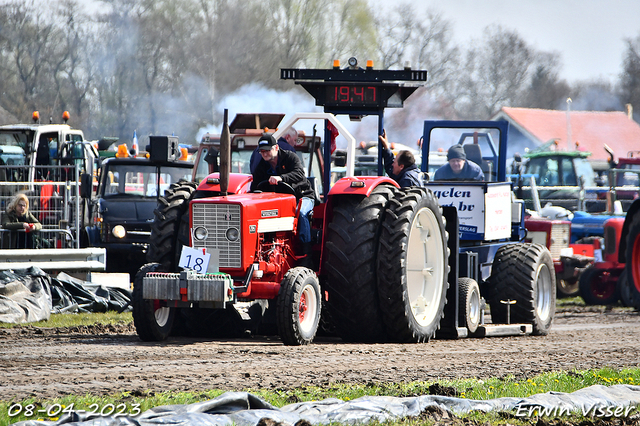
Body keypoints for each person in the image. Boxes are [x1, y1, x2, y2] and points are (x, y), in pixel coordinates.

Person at [251, 134, 315, 265]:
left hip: (302, 196)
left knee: (301, 213)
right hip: (281, 201)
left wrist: (281, 178)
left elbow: (299, 174)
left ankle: (306, 252)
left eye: (267, 150)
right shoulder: (262, 166)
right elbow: (255, 186)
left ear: (276, 148)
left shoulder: (290, 157)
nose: (264, 154)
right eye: (262, 151)